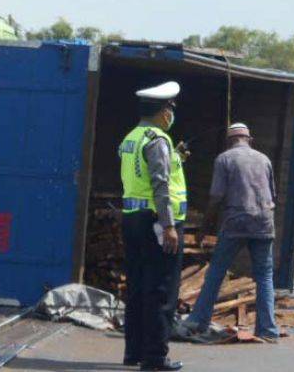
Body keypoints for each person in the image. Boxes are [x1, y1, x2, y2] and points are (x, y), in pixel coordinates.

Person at [188, 123, 279, 341]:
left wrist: (204, 228)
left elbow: (216, 197)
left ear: (230, 141)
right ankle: (268, 330)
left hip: (236, 222)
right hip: (264, 222)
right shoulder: (264, 159)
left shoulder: (224, 159)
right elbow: (273, 195)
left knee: (216, 272)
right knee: (265, 276)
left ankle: (199, 322)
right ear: (250, 139)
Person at [119, 81, 186, 371]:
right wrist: (169, 225)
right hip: (156, 223)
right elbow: (159, 184)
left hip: (133, 220)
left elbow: (142, 174)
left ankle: (134, 352)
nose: (172, 113)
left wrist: (177, 159)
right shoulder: (158, 139)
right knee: (161, 289)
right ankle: (156, 358)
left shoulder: (132, 138)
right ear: (162, 111)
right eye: (171, 108)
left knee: (137, 287)